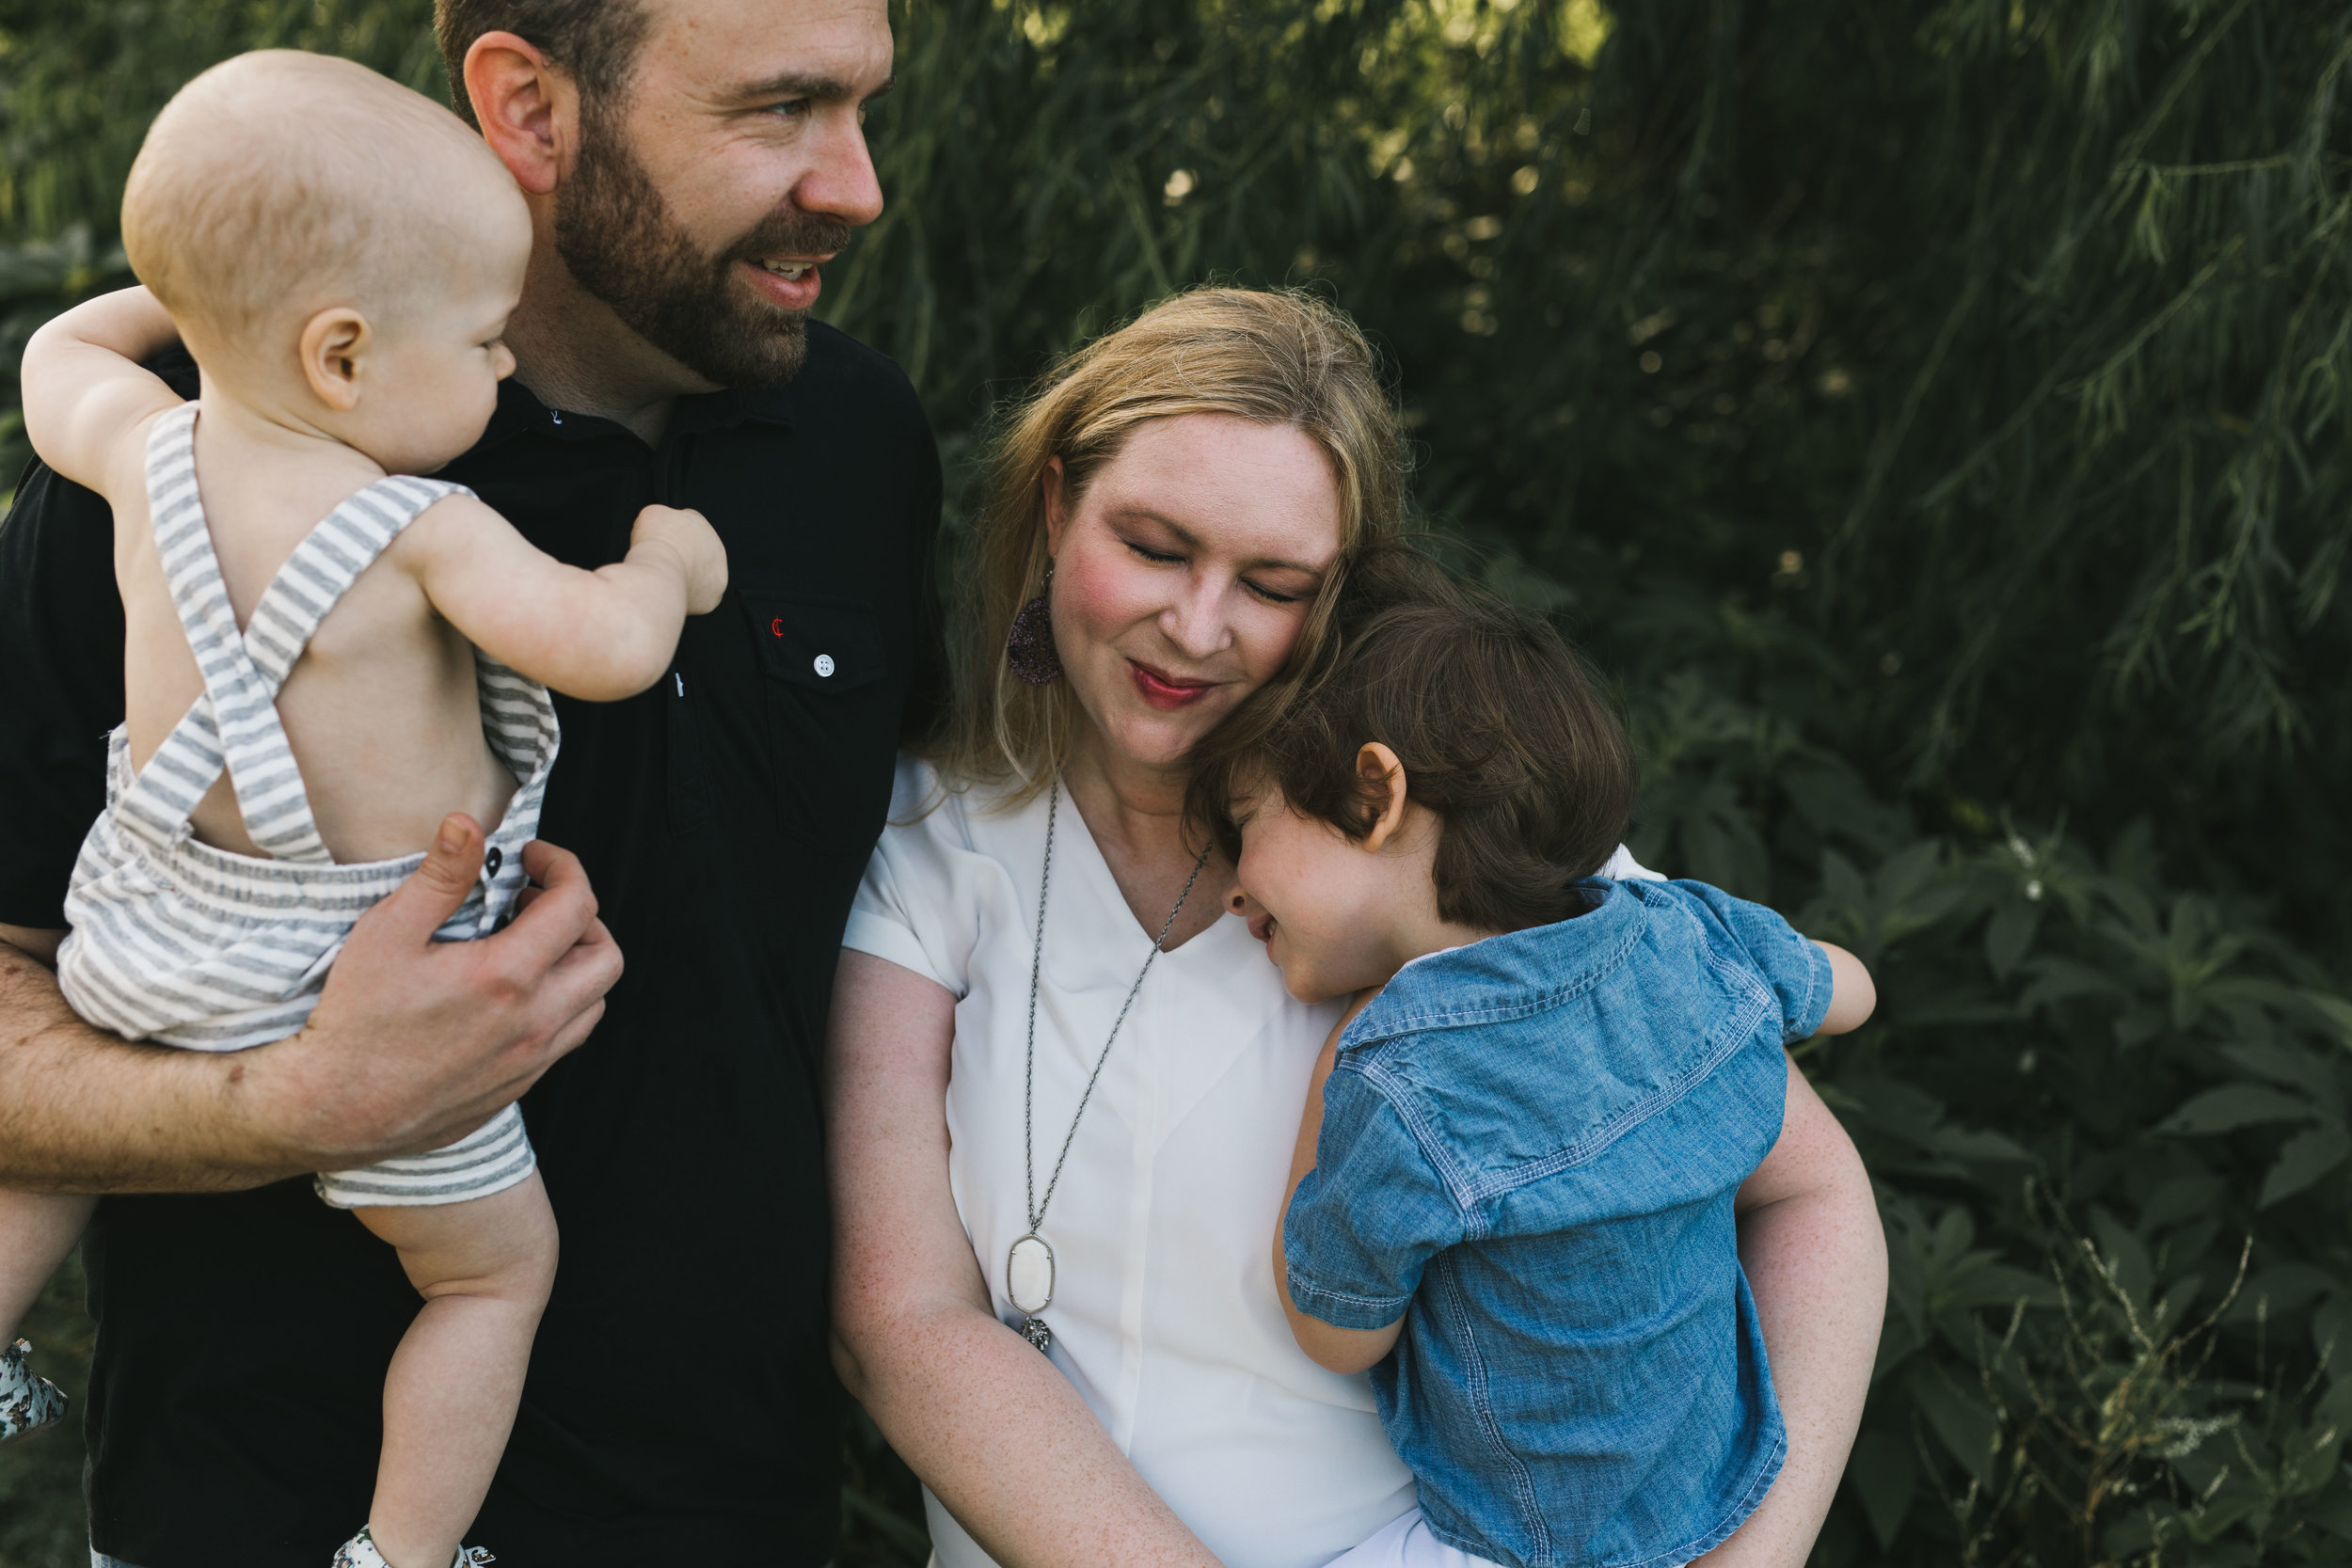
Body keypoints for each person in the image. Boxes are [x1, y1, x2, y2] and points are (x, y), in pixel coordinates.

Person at [0, 1, 930, 1561]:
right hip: (250, 1515)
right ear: (530, 107)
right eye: (779, 109)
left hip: (733, 1518)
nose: (857, 185)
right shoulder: (207, 482)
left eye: (862, 106)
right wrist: (296, 1102)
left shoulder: (863, 448)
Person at [827, 286, 1887, 1568]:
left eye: (1273, 581)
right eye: (1156, 546)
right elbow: (903, 1318)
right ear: (1056, 509)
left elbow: (1814, 1193)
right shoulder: (930, 842)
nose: (1199, 624)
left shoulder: (1485, 873)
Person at [1189, 557, 1877, 1568]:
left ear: (1372, 793)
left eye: (1244, 825)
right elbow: (1850, 991)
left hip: (1525, 1543)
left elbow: (1335, 1331)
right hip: (1723, 1487)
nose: (1229, 891)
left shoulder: (1400, 1075)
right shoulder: (1681, 932)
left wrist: (1341, 1071)